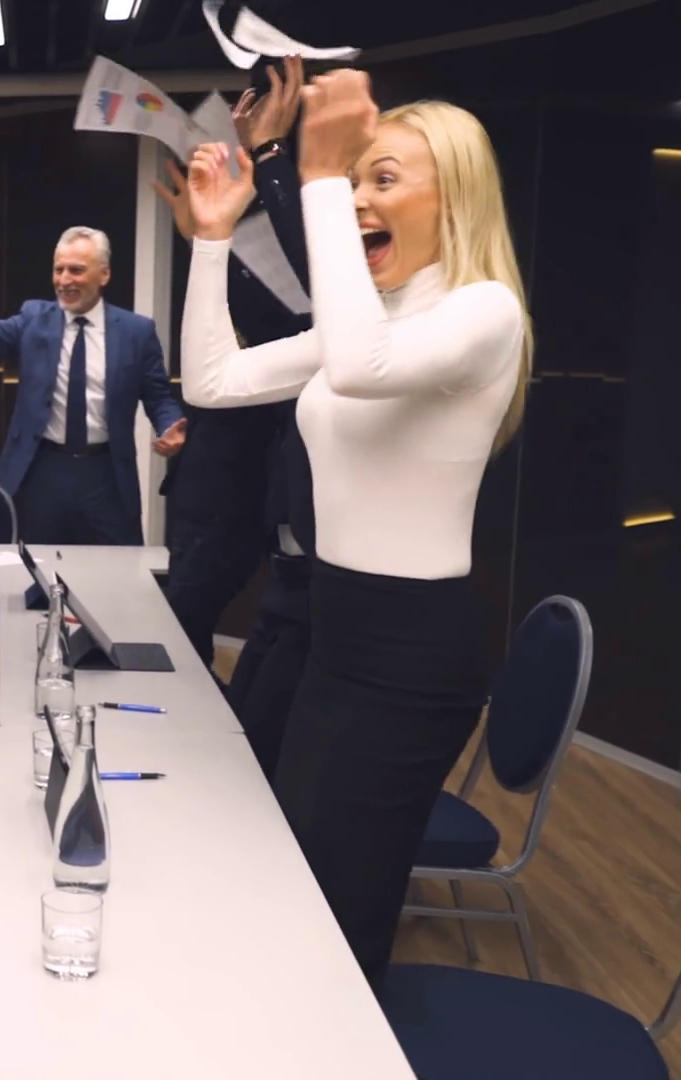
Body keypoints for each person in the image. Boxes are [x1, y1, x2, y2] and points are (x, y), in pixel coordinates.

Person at [179, 71, 530, 987]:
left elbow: (362, 367)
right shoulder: (369, 322)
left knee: (339, 919)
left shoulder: (483, 310)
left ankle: (340, 1044)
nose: (361, 197)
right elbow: (213, 382)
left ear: (453, 198)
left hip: (412, 657)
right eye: (357, 177)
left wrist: (323, 179)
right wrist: (213, 241)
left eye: (385, 179)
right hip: (333, 634)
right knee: (297, 887)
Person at [155, 56, 310, 677]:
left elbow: (268, 331)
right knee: (183, 634)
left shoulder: (325, 304)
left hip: (245, 494)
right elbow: (209, 373)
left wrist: (270, 154)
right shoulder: (246, 253)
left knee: (183, 630)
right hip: (201, 482)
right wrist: (203, 238)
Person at [0, 228, 186, 545]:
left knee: (117, 568)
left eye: (76, 270)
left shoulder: (136, 332)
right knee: (34, 568)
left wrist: (170, 426)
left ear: (104, 274)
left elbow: (159, 397)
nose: (64, 280)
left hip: (106, 474)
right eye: (58, 269)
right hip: (42, 471)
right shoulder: (32, 319)